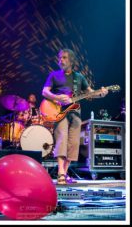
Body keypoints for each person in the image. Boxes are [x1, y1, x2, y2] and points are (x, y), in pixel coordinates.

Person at [42, 49, 108, 185]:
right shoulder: (54, 75)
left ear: (71, 61)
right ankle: (60, 172)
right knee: (62, 140)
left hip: (75, 113)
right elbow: (44, 91)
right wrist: (57, 97)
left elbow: (90, 93)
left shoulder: (80, 77)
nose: (61, 60)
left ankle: (64, 174)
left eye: (64, 58)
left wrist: (101, 93)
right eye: (60, 58)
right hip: (59, 111)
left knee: (74, 144)